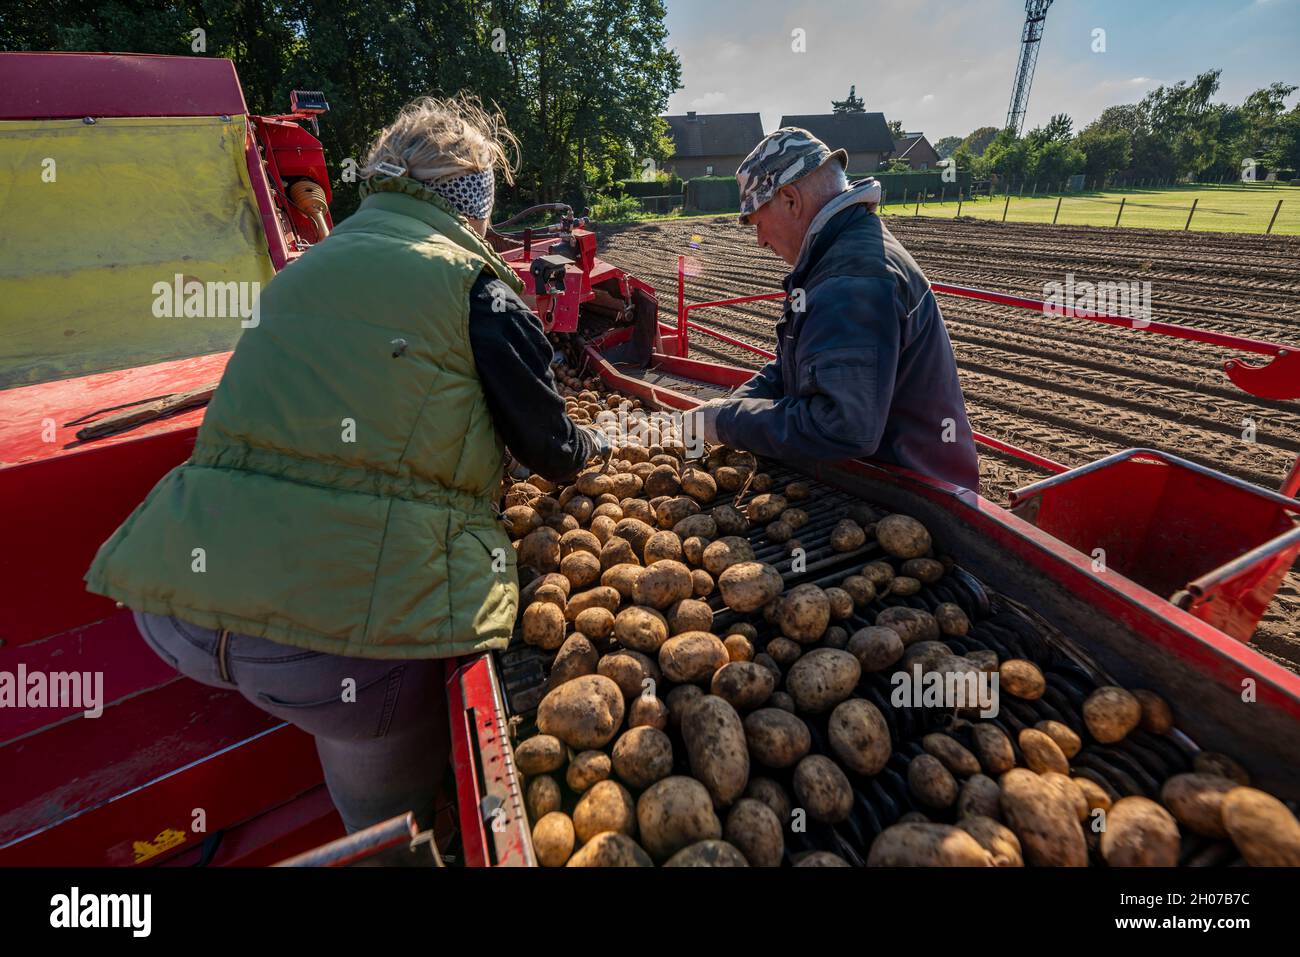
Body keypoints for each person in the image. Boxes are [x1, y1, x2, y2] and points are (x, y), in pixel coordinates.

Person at [84, 95, 608, 861]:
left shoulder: (300, 272)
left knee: (317, 693)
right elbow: (552, 448)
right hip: (329, 651)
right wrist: (595, 445)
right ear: (474, 201)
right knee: (392, 823)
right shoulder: (477, 287)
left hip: (178, 609)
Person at [691, 128, 979, 491]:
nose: (761, 240)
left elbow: (843, 425)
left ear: (791, 200)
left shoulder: (852, 278)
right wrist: (733, 407)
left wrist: (727, 421)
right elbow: (792, 368)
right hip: (892, 477)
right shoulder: (840, 253)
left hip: (923, 496)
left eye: (758, 222)